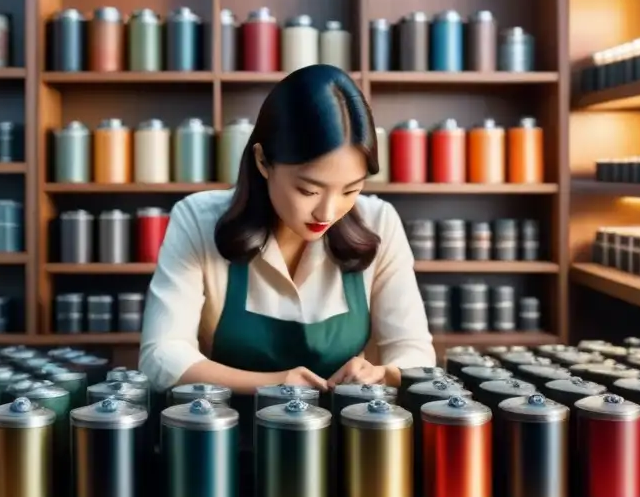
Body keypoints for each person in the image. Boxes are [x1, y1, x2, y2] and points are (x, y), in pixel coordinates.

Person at [139, 63, 436, 395]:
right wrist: (275, 384)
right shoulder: (198, 219)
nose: (328, 211)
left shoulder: (379, 221)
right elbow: (161, 357)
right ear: (263, 161)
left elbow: (416, 355)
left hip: (348, 434)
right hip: (227, 431)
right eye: (308, 191)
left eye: (350, 190)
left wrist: (382, 374)